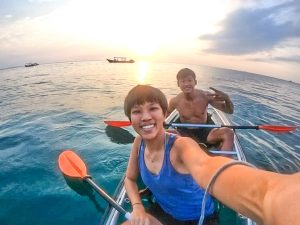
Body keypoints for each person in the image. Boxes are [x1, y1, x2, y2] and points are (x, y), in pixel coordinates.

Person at [121, 84, 300, 225]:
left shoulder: (182, 146)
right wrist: (137, 207)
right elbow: (129, 179)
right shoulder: (139, 143)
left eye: (153, 108)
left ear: (164, 114)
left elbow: (206, 166)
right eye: (137, 111)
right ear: (130, 118)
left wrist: (273, 199)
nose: (145, 117)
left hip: (197, 219)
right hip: (163, 211)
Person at [167, 68, 234, 151]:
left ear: (195, 82)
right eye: (183, 81)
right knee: (167, 133)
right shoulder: (175, 101)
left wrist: (227, 99)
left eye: (189, 80)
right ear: (178, 84)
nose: (186, 84)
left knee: (228, 133)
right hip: (184, 131)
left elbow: (229, 111)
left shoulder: (205, 96)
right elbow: (166, 116)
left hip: (205, 130)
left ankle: (224, 161)